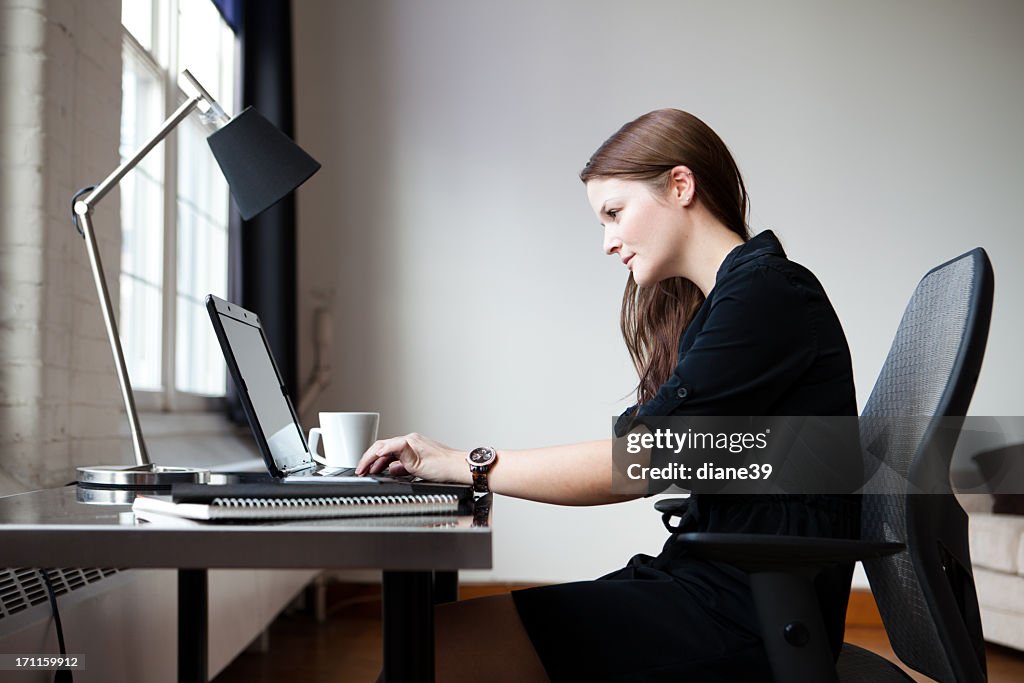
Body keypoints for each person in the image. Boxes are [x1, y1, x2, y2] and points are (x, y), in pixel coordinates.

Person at [356, 108, 859, 682]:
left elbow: (634, 464)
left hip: (747, 616)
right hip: (718, 589)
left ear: (680, 185)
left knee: (430, 649)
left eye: (614, 214)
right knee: (431, 642)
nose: (607, 242)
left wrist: (467, 463)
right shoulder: (729, 304)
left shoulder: (766, 294)